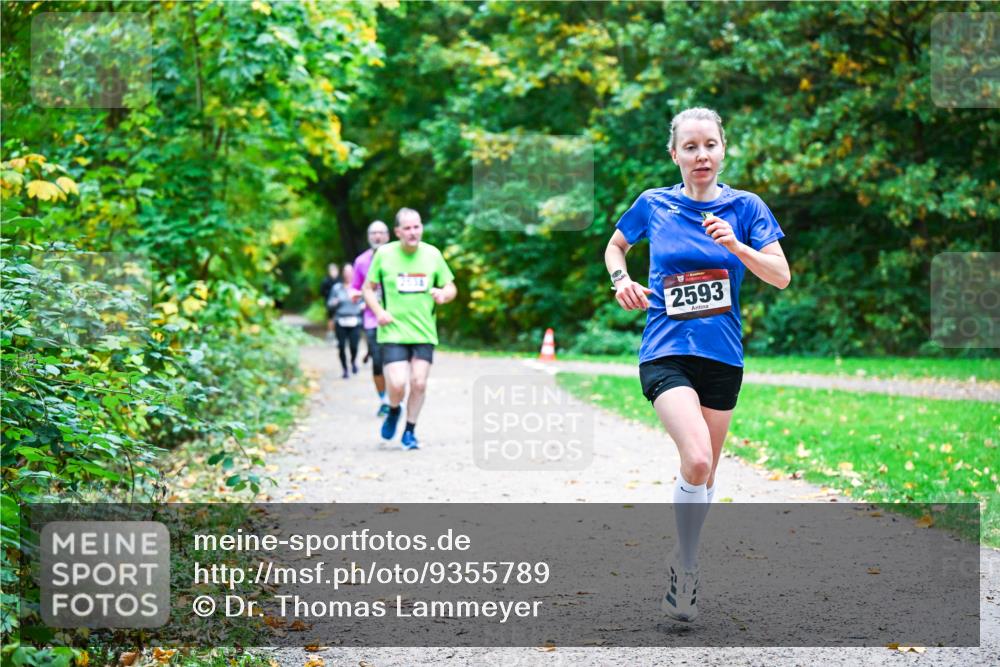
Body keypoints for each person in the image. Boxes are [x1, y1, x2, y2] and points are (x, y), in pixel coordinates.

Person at [604, 107, 790, 622]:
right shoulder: (654, 204)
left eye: (709, 144)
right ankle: (685, 567)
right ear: (675, 154)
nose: (700, 155)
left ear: (722, 148)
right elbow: (615, 247)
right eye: (690, 146)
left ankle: (682, 556)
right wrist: (621, 280)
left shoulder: (747, 207)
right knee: (700, 459)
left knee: (703, 475)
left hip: (723, 355)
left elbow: (780, 276)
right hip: (665, 348)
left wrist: (737, 245)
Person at [362, 208, 457, 450]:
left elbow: (450, 286)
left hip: (424, 330)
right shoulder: (384, 254)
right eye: (407, 228)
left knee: (419, 383)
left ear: (421, 227)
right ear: (397, 232)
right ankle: (394, 410)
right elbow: (368, 289)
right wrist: (379, 312)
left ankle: (409, 431)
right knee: (396, 383)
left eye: (416, 227)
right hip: (393, 330)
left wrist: (443, 295)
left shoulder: (432, 254)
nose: (413, 232)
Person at [351, 220, 391, 415]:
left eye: (381, 233)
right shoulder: (361, 262)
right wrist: (355, 295)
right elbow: (354, 287)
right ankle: (384, 399)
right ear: (368, 237)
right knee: (377, 363)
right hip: (371, 320)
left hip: (396, 319)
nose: (377, 236)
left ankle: (395, 397)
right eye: (374, 233)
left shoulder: (397, 258)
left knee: (395, 361)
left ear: (389, 236)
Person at [327, 263, 364, 379]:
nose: (348, 275)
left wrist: (363, 305)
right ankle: (344, 369)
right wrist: (334, 303)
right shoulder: (337, 288)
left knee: (354, 346)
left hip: (355, 320)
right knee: (341, 346)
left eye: (350, 272)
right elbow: (329, 304)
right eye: (346, 272)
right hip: (341, 321)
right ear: (343, 274)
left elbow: (366, 300)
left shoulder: (359, 288)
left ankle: (353, 362)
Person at [319, 263, 341, 342]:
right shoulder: (326, 281)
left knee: (338, 318)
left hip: (340, 303)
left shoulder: (340, 280)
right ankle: (330, 334)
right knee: (331, 318)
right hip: (329, 303)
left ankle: (338, 334)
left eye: (335, 270)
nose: (334, 272)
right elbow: (322, 292)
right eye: (332, 270)